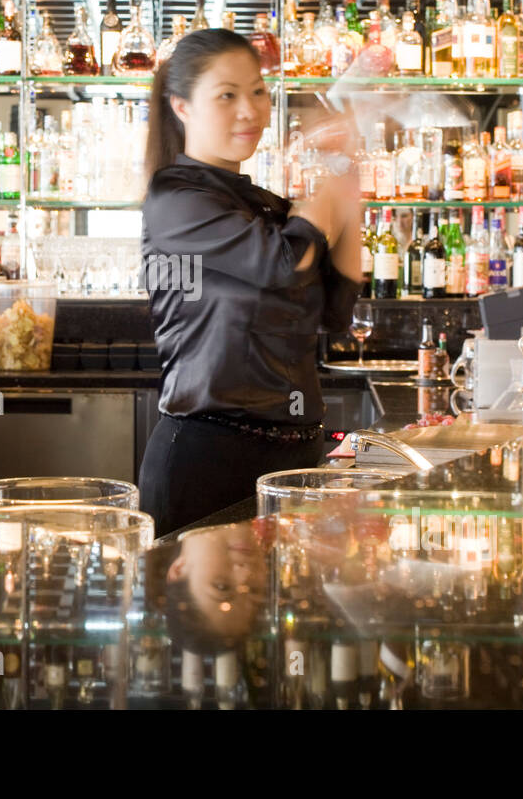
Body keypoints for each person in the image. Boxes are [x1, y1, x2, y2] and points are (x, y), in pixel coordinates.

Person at [138, 28, 362, 535]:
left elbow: (336, 310)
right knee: (208, 616)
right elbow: (283, 264)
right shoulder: (176, 198)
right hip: (209, 461)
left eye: (258, 91)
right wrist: (332, 182)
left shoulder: (261, 203)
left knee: (270, 613)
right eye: (227, 95)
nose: (250, 110)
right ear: (182, 107)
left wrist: (350, 187)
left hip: (293, 458)